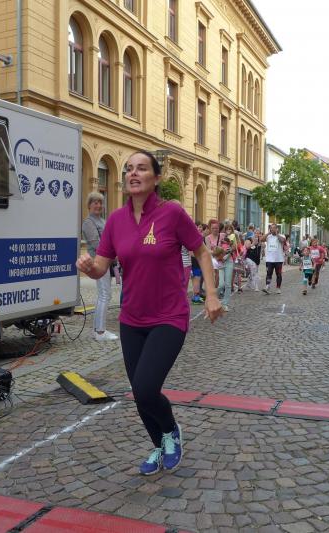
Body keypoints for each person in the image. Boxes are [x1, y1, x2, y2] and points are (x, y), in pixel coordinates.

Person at [77, 151, 222, 475]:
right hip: (131, 319)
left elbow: (201, 251)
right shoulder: (116, 220)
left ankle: (171, 431)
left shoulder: (172, 213)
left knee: (145, 387)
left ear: (156, 178)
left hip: (169, 316)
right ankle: (159, 444)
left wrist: (211, 294)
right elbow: (101, 266)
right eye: (129, 168)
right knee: (141, 394)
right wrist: (89, 267)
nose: (133, 173)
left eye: (141, 168)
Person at [81, 192, 119, 342]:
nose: (98, 205)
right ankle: (100, 332)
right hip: (98, 262)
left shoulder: (103, 221)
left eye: (100, 203)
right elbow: (97, 244)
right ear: (89, 205)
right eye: (95, 202)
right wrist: (114, 254)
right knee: (104, 295)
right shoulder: (88, 222)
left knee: (104, 295)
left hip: (106, 261)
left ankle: (97, 330)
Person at [205, 219, 233, 311]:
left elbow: (231, 246)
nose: (215, 230)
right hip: (218, 262)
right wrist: (218, 253)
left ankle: (225, 304)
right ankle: (212, 300)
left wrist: (227, 252)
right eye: (213, 228)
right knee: (221, 284)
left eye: (216, 228)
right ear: (210, 228)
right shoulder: (207, 238)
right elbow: (208, 250)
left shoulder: (224, 235)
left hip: (228, 260)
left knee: (228, 284)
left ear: (219, 228)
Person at [261, 224, 286, 294]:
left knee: (278, 274)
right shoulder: (268, 236)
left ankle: (278, 288)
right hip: (269, 259)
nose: (272, 229)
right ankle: (267, 286)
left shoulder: (281, 236)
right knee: (269, 273)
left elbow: (283, 240)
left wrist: (276, 234)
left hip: (279, 259)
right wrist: (268, 233)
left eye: (274, 228)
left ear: (277, 229)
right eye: (271, 228)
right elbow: (261, 239)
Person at [190, 221, 205, 305]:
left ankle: (196, 295)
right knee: (196, 278)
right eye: (198, 226)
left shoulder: (200, 236)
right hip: (194, 260)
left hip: (197, 260)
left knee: (197, 278)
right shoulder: (193, 236)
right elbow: (191, 251)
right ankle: (196, 297)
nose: (200, 228)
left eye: (200, 227)